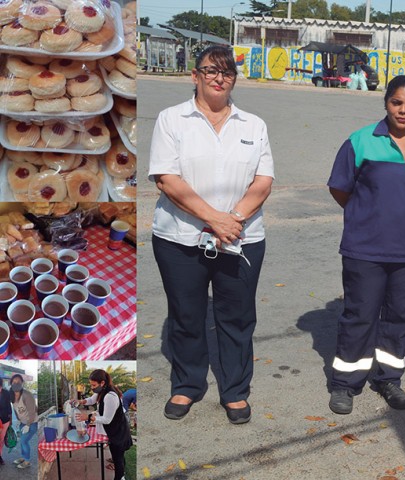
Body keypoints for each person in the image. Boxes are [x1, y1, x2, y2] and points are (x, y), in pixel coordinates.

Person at [149, 45, 274, 424]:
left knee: (236, 317)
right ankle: (187, 384)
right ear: (195, 76)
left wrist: (232, 219)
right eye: (210, 71)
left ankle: (235, 390)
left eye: (227, 73)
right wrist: (213, 219)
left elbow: (263, 181)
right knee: (186, 315)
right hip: (179, 237)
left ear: (234, 79)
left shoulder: (253, 125)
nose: (219, 78)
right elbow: (167, 179)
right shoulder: (172, 119)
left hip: (242, 237)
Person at [327, 75, 405, 414]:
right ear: (386, 103)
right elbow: (340, 189)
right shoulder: (361, 141)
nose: (403, 110)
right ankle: (345, 384)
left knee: (400, 318)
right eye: (397, 103)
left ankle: (388, 378)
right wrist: (365, 216)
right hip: (365, 249)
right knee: (359, 316)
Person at [74, 370, 133, 480]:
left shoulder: (110, 396)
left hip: (118, 432)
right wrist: (81, 402)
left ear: (102, 383)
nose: (92, 387)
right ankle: (122, 475)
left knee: (118, 458)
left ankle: (120, 477)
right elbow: (92, 399)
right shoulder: (102, 390)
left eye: (93, 385)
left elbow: (106, 419)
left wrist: (88, 417)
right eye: (91, 384)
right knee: (118, 456)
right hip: (114, 431)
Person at [8, 374, 37, 469]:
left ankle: (27, 461)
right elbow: (15, 409)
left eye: (18, 382)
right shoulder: (11, 395)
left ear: (22, 384)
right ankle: (23, 457)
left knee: (24, 441)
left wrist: (28, 425)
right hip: (23, 423)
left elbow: (32, 412)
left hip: (32, 423)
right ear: (11, 383)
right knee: (22, 441)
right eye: (14, 382)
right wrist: (19, 420)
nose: (16, 384)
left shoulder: (26, 395)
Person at [0, 382, 11, 466]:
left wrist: (10, 420)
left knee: (1, 440)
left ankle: (0, 456)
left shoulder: (6, 393)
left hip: (5, 420)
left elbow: (8, 406)